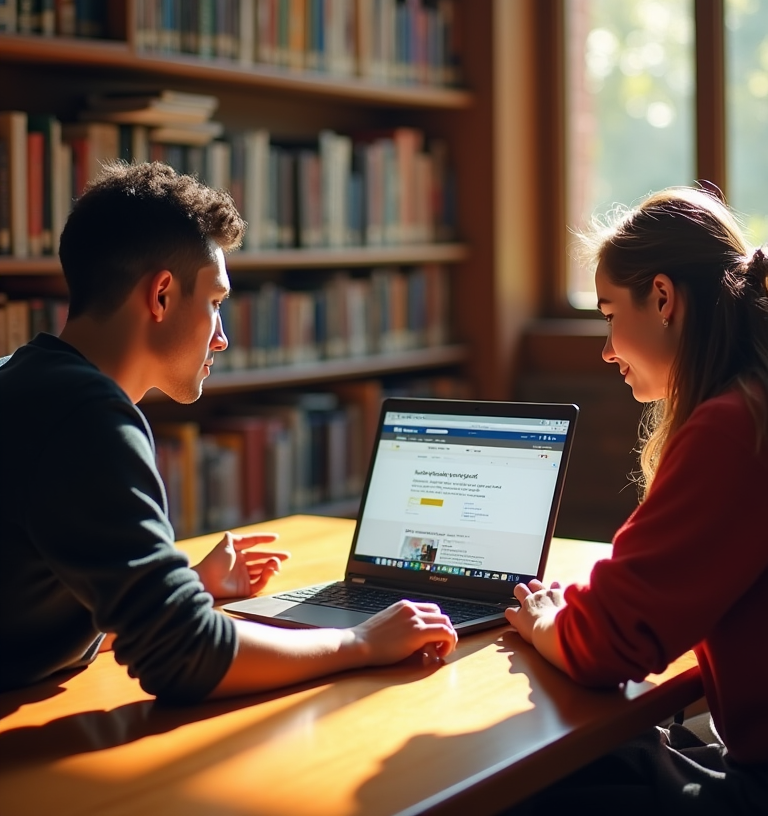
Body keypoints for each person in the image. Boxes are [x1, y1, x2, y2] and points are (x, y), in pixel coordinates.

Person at [0, 161, 457, 703]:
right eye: (215, 303)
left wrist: (185, 587)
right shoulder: (84, 418)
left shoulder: (24, 377)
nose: (221, 338)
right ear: (162, 295)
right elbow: (184, 654)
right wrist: (358, 640)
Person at [504, 186, 768, 814]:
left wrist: (545, 621)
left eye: (608, 314)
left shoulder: (736, 428)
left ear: (662, 297)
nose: (606, 349)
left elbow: (608, 645)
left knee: (538, 785)